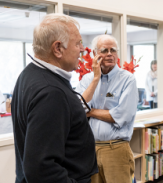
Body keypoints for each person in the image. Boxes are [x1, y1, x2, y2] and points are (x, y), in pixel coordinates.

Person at [11, 13, 98, 183]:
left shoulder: (29, 74)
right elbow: (41, 169)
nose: (82, 49)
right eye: (78, 43)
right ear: (57, 48)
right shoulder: (51, 92)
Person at [76, 34, 138, 183]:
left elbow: (122, 116)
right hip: (91, 150)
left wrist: (90, 112)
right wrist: (96, 78)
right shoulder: (87, 80)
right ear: (95, 54)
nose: (110, 54)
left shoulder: (128, 79)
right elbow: (78, 110)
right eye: (104, 50)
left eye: (113, 50)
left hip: (116, 149)